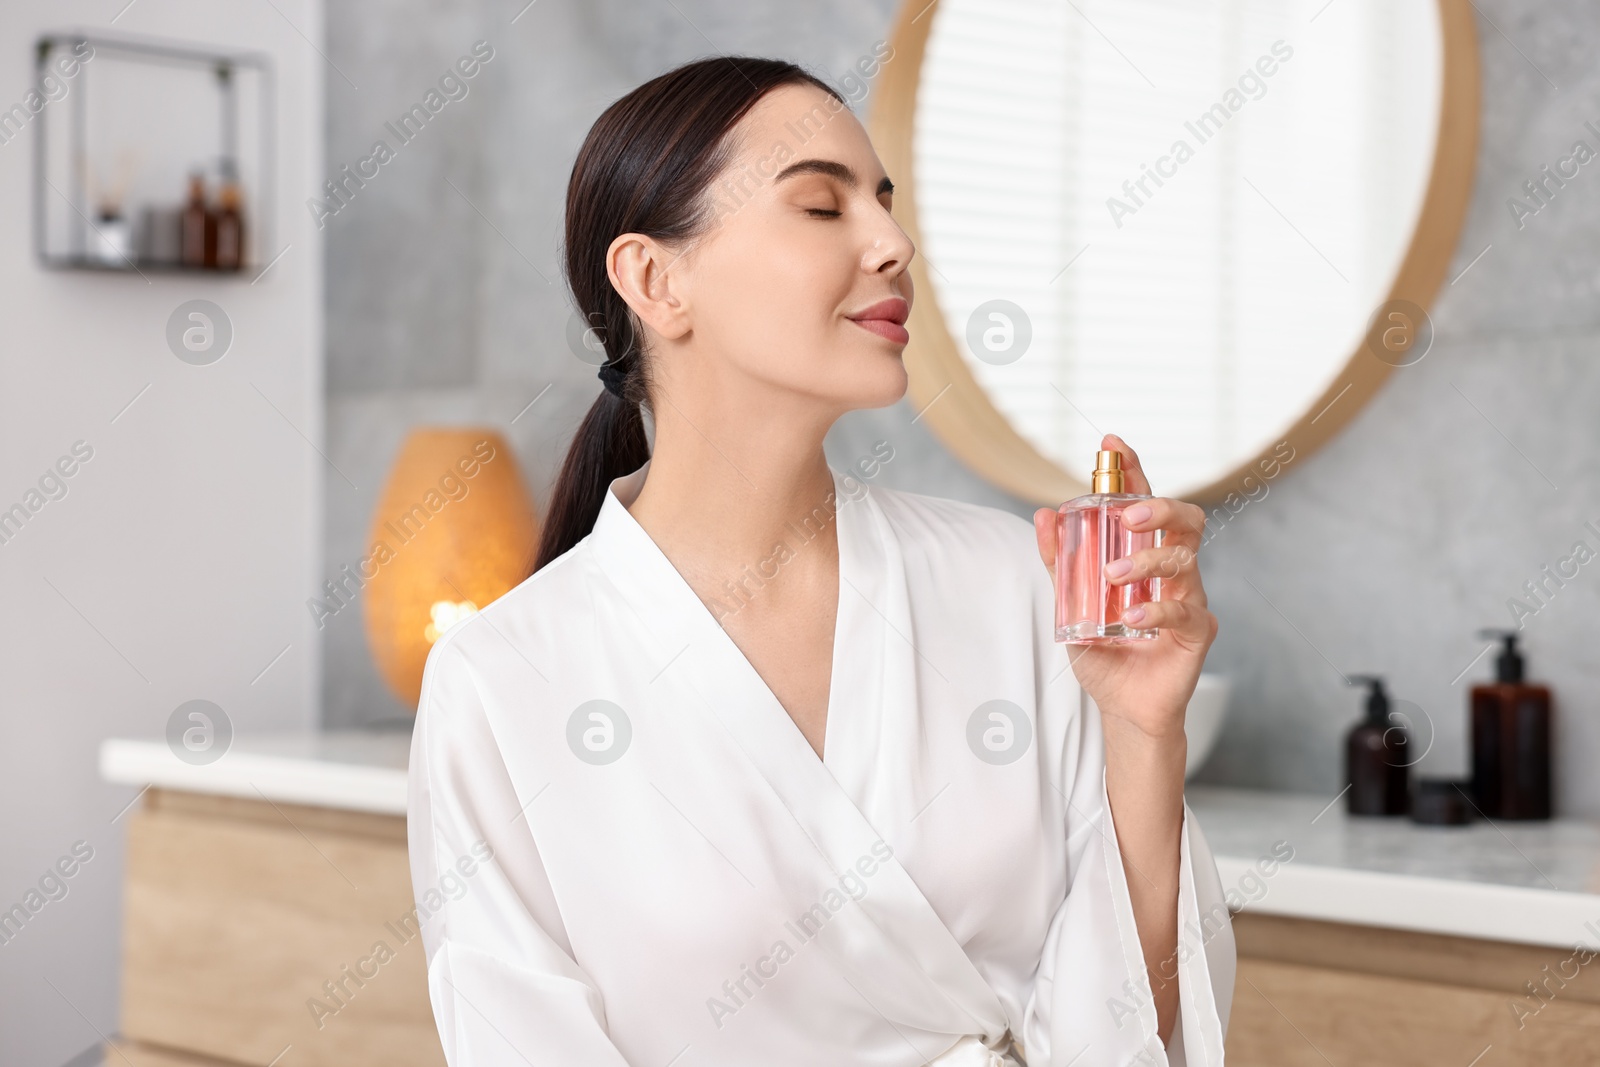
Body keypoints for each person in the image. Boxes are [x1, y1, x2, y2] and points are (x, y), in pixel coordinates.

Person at [407, 55, 1234, 1067]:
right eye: (819, 207)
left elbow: (1129, 1023)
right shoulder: (502, 683)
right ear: (656, 279)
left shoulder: (1012, 588)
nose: (893, 243)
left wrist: (1145, 730)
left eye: (884, 203)